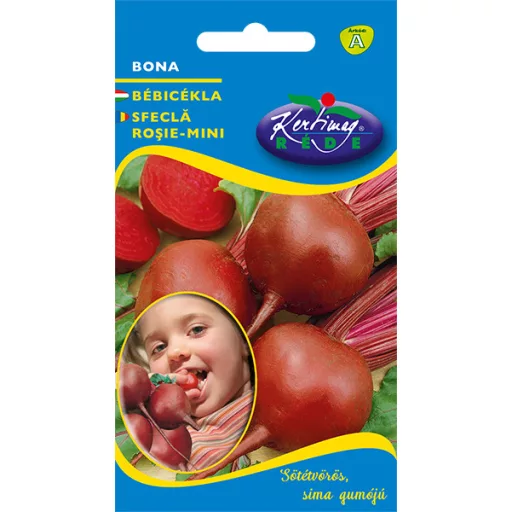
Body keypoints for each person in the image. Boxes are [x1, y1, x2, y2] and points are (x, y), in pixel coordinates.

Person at [124, 293, 254, 471]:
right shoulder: (166, 434)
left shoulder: (267, 396)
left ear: (243, 338)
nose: (174, 352)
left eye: (197, 330)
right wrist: (146, 393)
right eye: (159, 348)